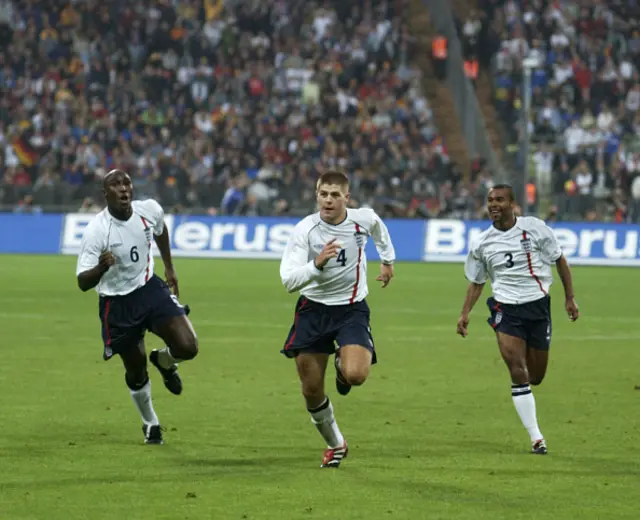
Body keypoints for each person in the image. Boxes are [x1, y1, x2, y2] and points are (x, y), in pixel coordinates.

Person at [279, 170, 396, 468]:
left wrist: (387, 261)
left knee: (356, 375)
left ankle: (342, 367)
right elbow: (289, 281)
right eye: (323, 194)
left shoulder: (363, 220)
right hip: (313, 311)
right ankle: (336, 443)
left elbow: (380, 231)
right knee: (311, 391)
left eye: (335, 195)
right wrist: (317, 264)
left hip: (351, 310)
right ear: (316, 196)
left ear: (347, 198)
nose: (328, 200)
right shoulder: (305, 230)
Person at [76, 169, 199, 445]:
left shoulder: (149, 210)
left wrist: (169, 267)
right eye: (115, 185)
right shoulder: (97, 230)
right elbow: (82, 282)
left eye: (126, 183)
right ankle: (150, 422)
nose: (123, 189)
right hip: (117, 303)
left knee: (188, 346)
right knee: (136, 370)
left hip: (149, 289)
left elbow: (161, 230)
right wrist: (101, 267)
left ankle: (165, 360)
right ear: (104, 193)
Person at [456, 184, 579, 455]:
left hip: (537, 306)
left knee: (536, 376)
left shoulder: (534, 228)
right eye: (489, 200)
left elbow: (560, 260)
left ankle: (531, 413)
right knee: (516, 368)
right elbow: (477, 282)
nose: (493, 204)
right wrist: (465, 314)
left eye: (499, 199)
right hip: (505, 308)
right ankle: (536, 437)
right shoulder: (482, 242)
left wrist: (569, 298)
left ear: (513, 204)